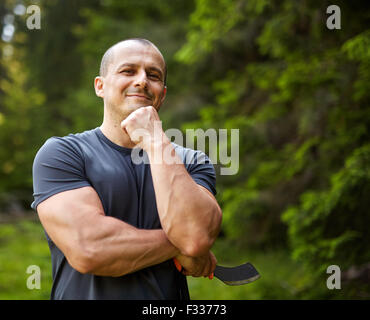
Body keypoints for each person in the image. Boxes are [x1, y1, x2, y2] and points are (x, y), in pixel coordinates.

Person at [31, 38, 222, 300]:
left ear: (162, 94)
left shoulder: (192, 162)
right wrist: (180, 245)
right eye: (128, 71)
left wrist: (154, 139)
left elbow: (196, 237)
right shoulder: (63, 153)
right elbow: (90, 248)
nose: (142, 80)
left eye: (153, 75)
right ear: (100, 86)